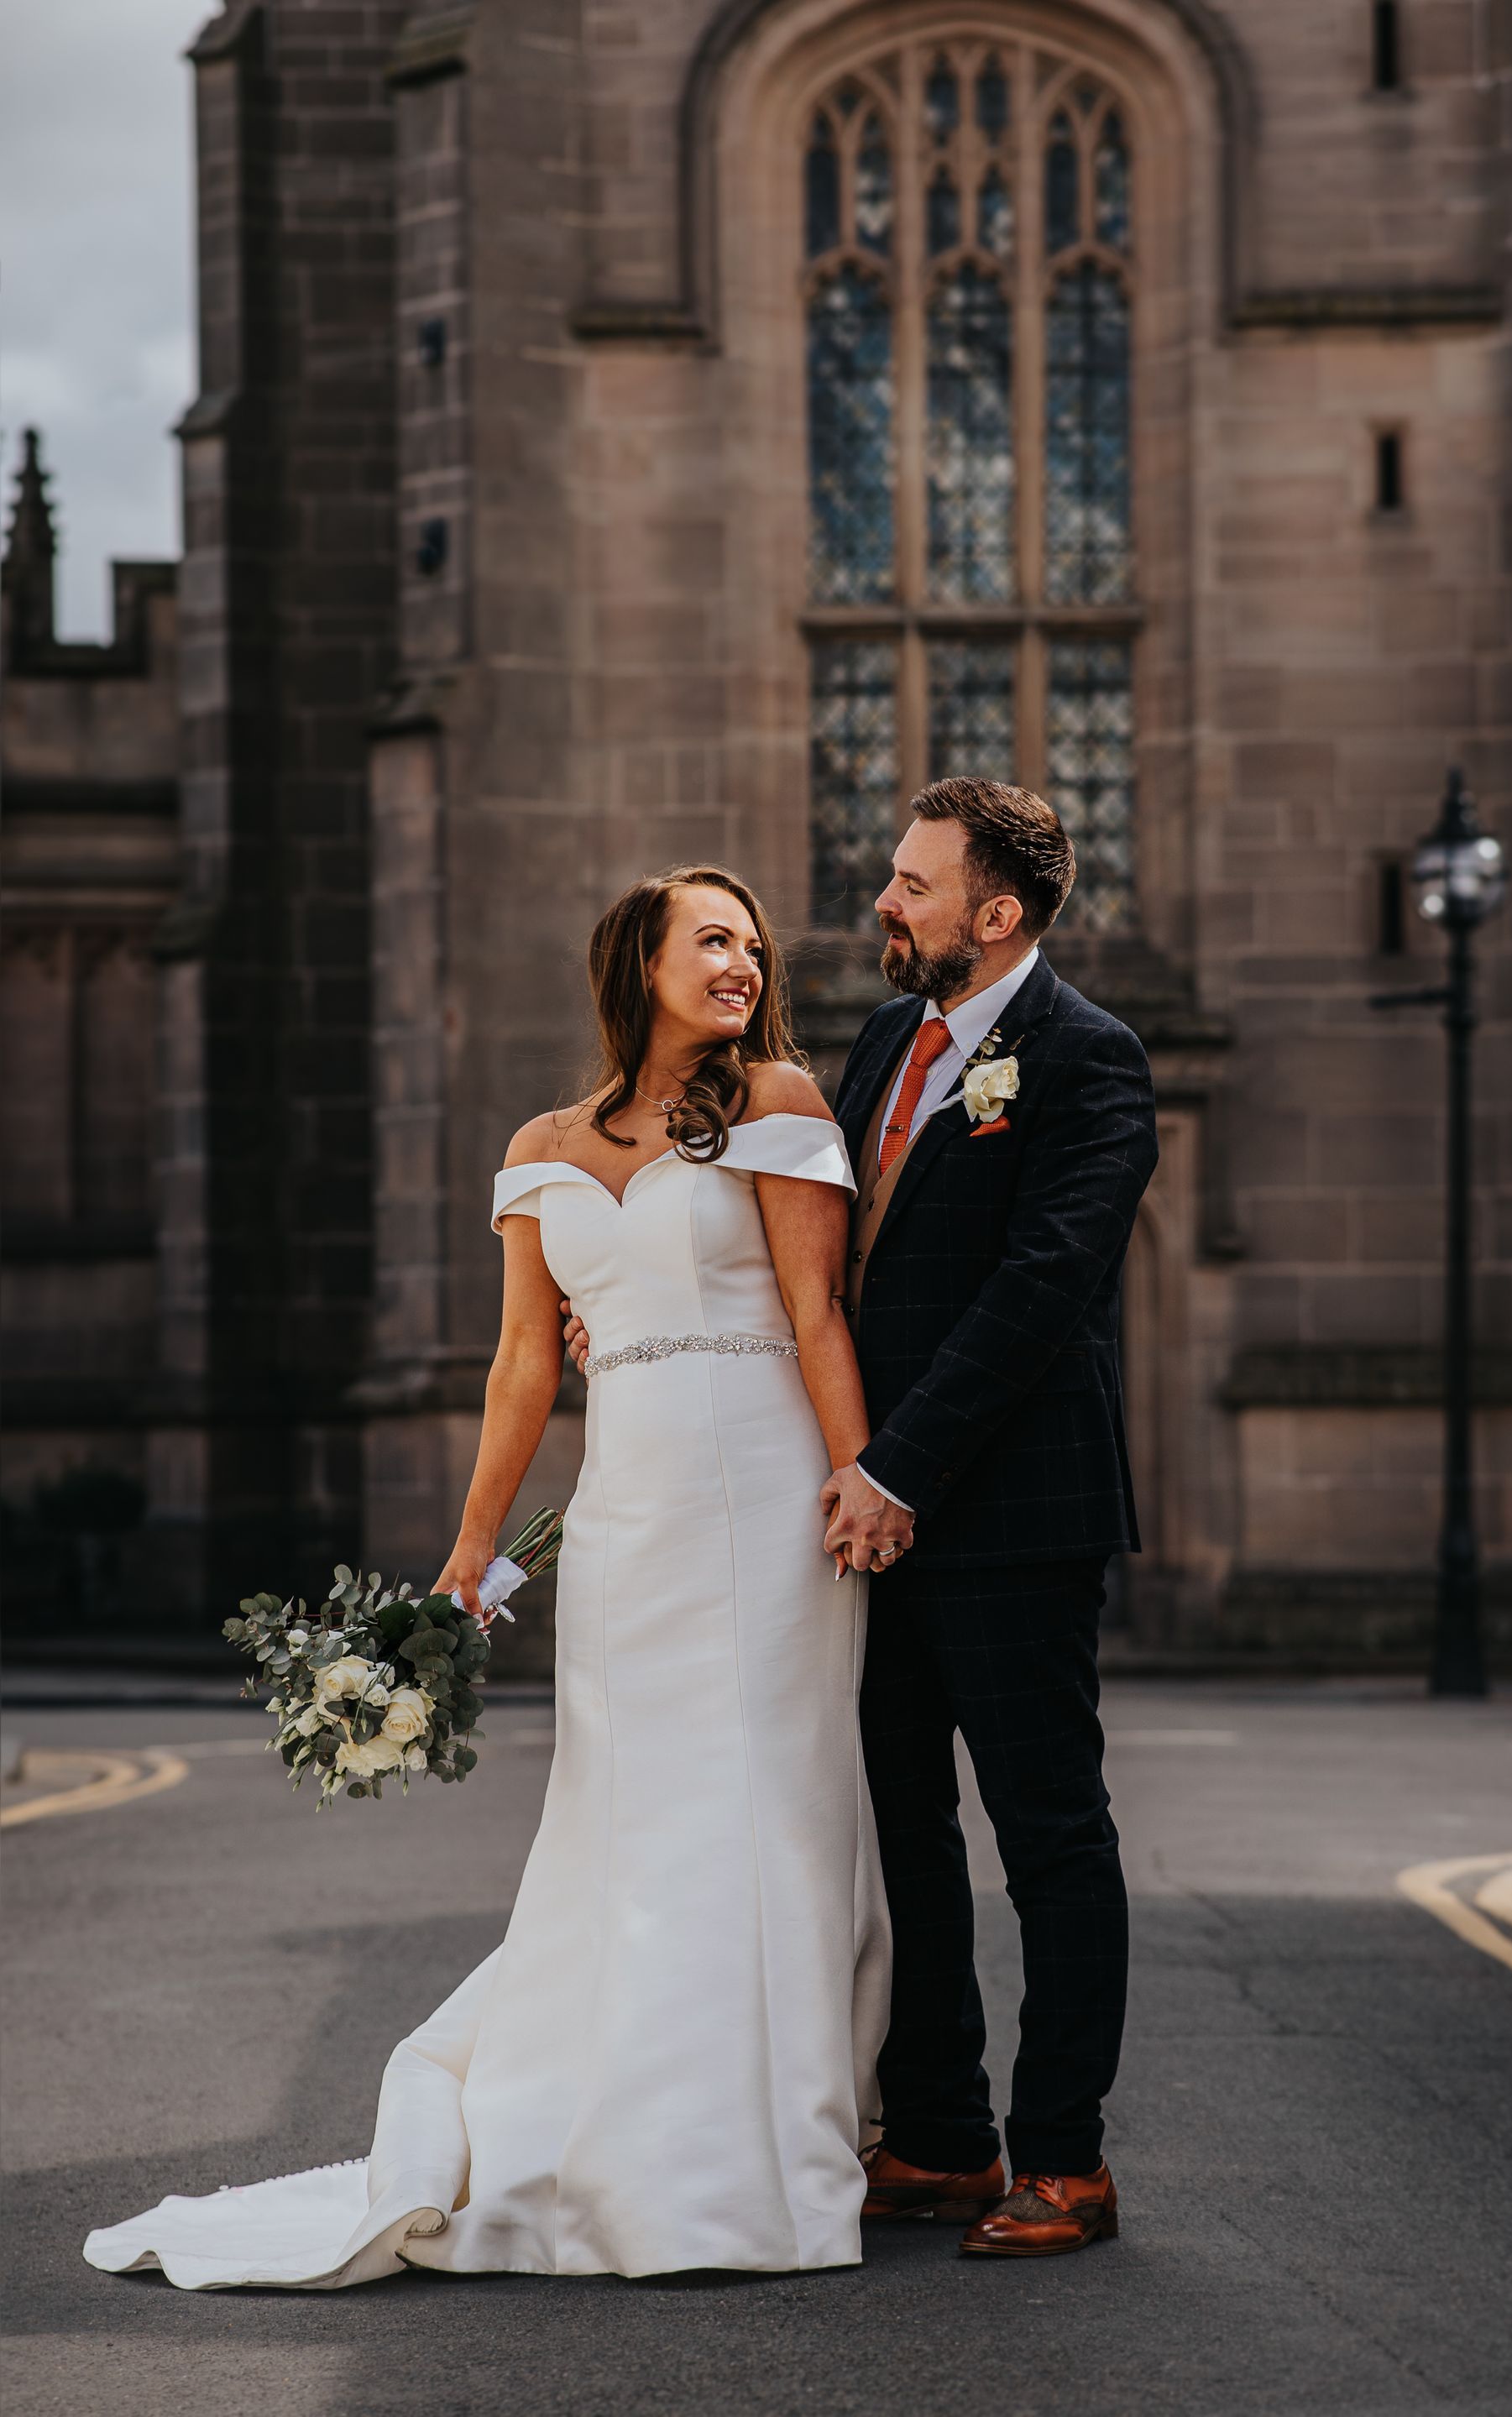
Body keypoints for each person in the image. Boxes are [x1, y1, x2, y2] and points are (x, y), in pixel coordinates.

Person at [84, 866, 891, 2289]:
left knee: (774, 1793)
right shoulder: (540, 1146)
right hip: (629, 1511)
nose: (743, 963)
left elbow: (817, 1306)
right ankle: (609, 2116)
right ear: (638, 960)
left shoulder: (779, 1106)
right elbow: (527, 1361)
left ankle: (760, 2136)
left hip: (768, 1495)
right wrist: (467, 1555)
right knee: (628, 1807)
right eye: (713, 939)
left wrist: (857, 1474)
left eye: (754, 946)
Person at [566, 781, 1160, 2260]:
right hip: (858, 1516)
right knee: (899, 1832)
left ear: (995, 915)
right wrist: (634, 1304)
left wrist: (896, 1470)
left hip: (1007, 1513)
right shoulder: (889, 1041)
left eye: (910, 885)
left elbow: (1040, 1293)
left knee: (1048, 1835)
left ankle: (1065, 2162)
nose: (883, 904)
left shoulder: (1092, 1062)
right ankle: (946, 2136)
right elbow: (809, 1265)